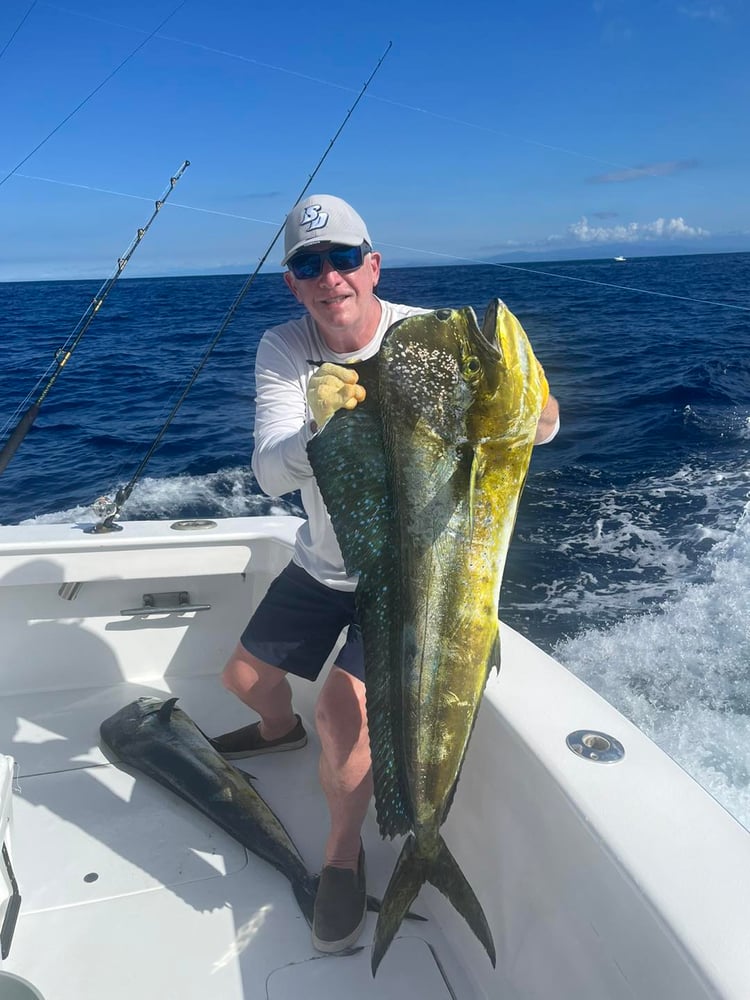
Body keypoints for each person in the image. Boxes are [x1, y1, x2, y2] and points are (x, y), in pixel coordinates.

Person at [209, 194, 560, 954]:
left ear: (372, 265)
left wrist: (532, 412)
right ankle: (277, 732)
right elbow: (271, 476)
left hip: (409, 574)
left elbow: (539, 422)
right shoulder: (284, 347)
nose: (329, 276)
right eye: (309, 264)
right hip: (329, 563)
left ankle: (343, 856)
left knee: (344, 718)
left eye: (342, 258)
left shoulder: (425, 338)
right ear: (293, 283)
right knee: (240, 678)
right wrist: (317, 424)